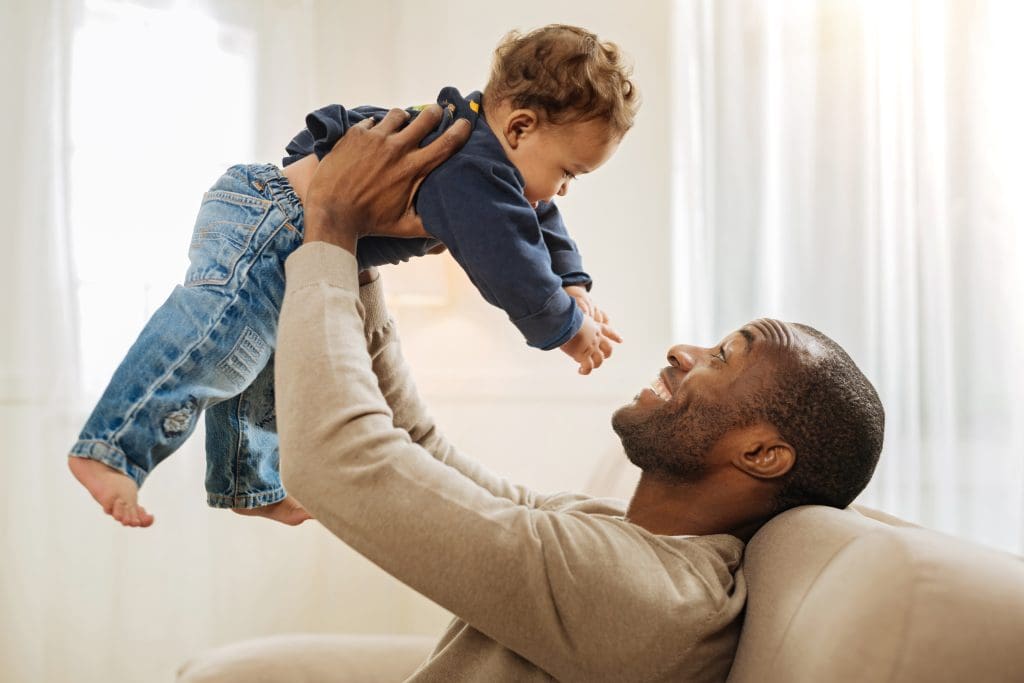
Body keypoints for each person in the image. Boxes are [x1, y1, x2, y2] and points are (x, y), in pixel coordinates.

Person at [268, 108, 886, 681]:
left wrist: (330, 223)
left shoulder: (650, 598)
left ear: (762, 454)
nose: (682, 351)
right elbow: (418, 451)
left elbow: (339, 463)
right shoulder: (619, 535)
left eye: (724, 357)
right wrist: (361, 256)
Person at [68, 24, 634, 527]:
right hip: (271, 217)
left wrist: (575, 284)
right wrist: (567, 328)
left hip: (284, 222)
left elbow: (540, 219)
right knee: (218, 343)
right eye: (568, 172)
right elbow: (510, 263)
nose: (562, 190)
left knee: (263, 363)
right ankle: (112, 448)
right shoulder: (473, 171)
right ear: (520, 127)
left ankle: (251, 483)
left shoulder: (493, 161)